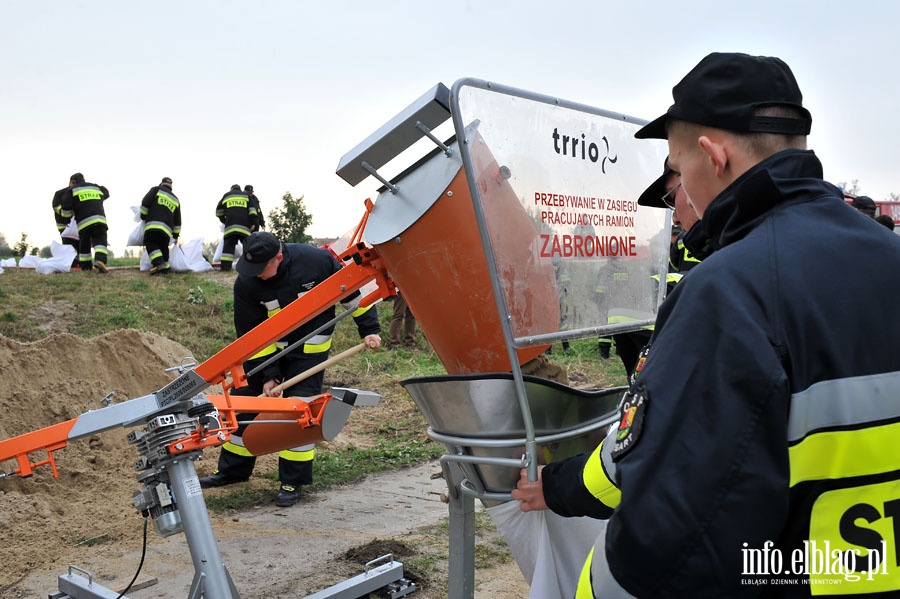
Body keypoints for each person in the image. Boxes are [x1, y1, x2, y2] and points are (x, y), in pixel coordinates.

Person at [515, 52, 900, 596]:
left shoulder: (731, 290)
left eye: (677, 168)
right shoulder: (889, 255)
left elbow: (671, 540)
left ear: (712, 155)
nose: (680, 199)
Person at [200, 231, 382, 507]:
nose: (256, 274)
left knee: (300, 412)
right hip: (267, 353)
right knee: (246, 403)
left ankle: (292, 481)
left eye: (262, 269)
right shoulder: (247, 282)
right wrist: (267, 376)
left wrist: (369, 330)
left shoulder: (317, 261)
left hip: (310, 352)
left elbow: (352, 296)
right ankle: (231, 471)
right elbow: (250, 335)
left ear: (279, 257)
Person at [58, 172, 110, 273]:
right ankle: (100, 260)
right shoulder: (95, 187)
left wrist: (67, 219)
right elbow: (106, 192)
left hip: (84, 223)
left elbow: (65, 209)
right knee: (100, 241)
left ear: (72, 182)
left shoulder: (71, 190)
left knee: (84, 244)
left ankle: (86, 267)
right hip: (100, 219)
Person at [140, 176, 181, 275]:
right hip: (167, 231)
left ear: (161, 183)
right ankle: (165, 265)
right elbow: (178, 220)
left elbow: (145, 202)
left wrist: (143, 215)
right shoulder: (175, 199)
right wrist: (175, 235)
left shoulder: (156, 190)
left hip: (153, 225)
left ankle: (159, 263)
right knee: (163, 246)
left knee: (150, 242)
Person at [215, 184, 258, 271]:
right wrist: (252, 223)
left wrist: (224, 220)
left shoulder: (226, 196)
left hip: (230, 227)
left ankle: (226, 268)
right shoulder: (246, 196)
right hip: (244, 228)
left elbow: (218, 212)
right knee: (248, 247)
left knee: (228, 249)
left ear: (231, 189)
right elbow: (253, 211)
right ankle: (251, 266)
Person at [51, 186, 79, 267]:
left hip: (76, 226)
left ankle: (78, 262)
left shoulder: (77, 192)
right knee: (68, 245)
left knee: (79, 245)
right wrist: (69, 214)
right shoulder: (60, 194)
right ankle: (71, 263)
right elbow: (56, 207)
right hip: (64, 226)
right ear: (71, 182)